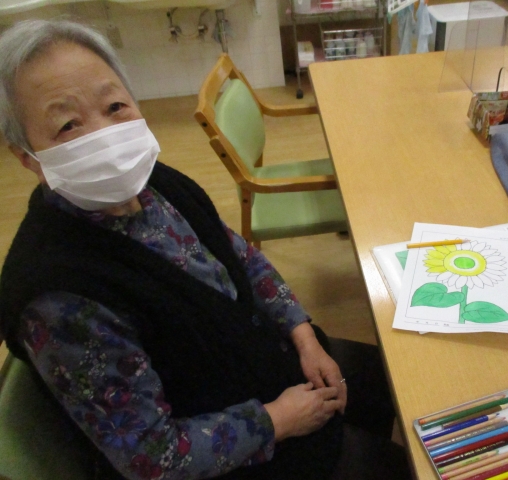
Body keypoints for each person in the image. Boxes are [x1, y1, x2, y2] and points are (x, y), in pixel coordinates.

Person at [0, 19, 411, 480]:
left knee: (390, 381)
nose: (104, 135)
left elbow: (241, 258)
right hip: (235, 450)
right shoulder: (60, 300)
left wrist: (303, 335)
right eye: (67, 125)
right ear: (27, 157)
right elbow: (153, 459)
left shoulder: (154, 182)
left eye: (115, 106)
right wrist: (277, 420)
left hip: (265, 363)